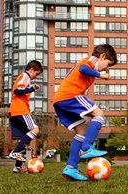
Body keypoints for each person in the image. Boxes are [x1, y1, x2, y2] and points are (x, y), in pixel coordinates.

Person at [53, 44, 117, 180]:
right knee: (99, 114)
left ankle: (71, 168)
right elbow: (83, 68)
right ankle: (86, 148)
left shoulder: (92, 66)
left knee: (81, 132)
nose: (107, 68)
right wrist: (101, 74)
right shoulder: (92, 61)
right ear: (102, 56)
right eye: (107, 64)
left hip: (60, 100)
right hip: (69, 95)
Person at [7, 60, 43, 174]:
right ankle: (14, 153)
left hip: (15, 111)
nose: (34, 77)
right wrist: (31, 88)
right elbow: (17, 90)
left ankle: (17, 167)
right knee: (35, 129)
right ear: (31, 69)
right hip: (20, 110)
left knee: (24, 140)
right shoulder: (25, 76)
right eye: (36, 74)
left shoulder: (25, 78)